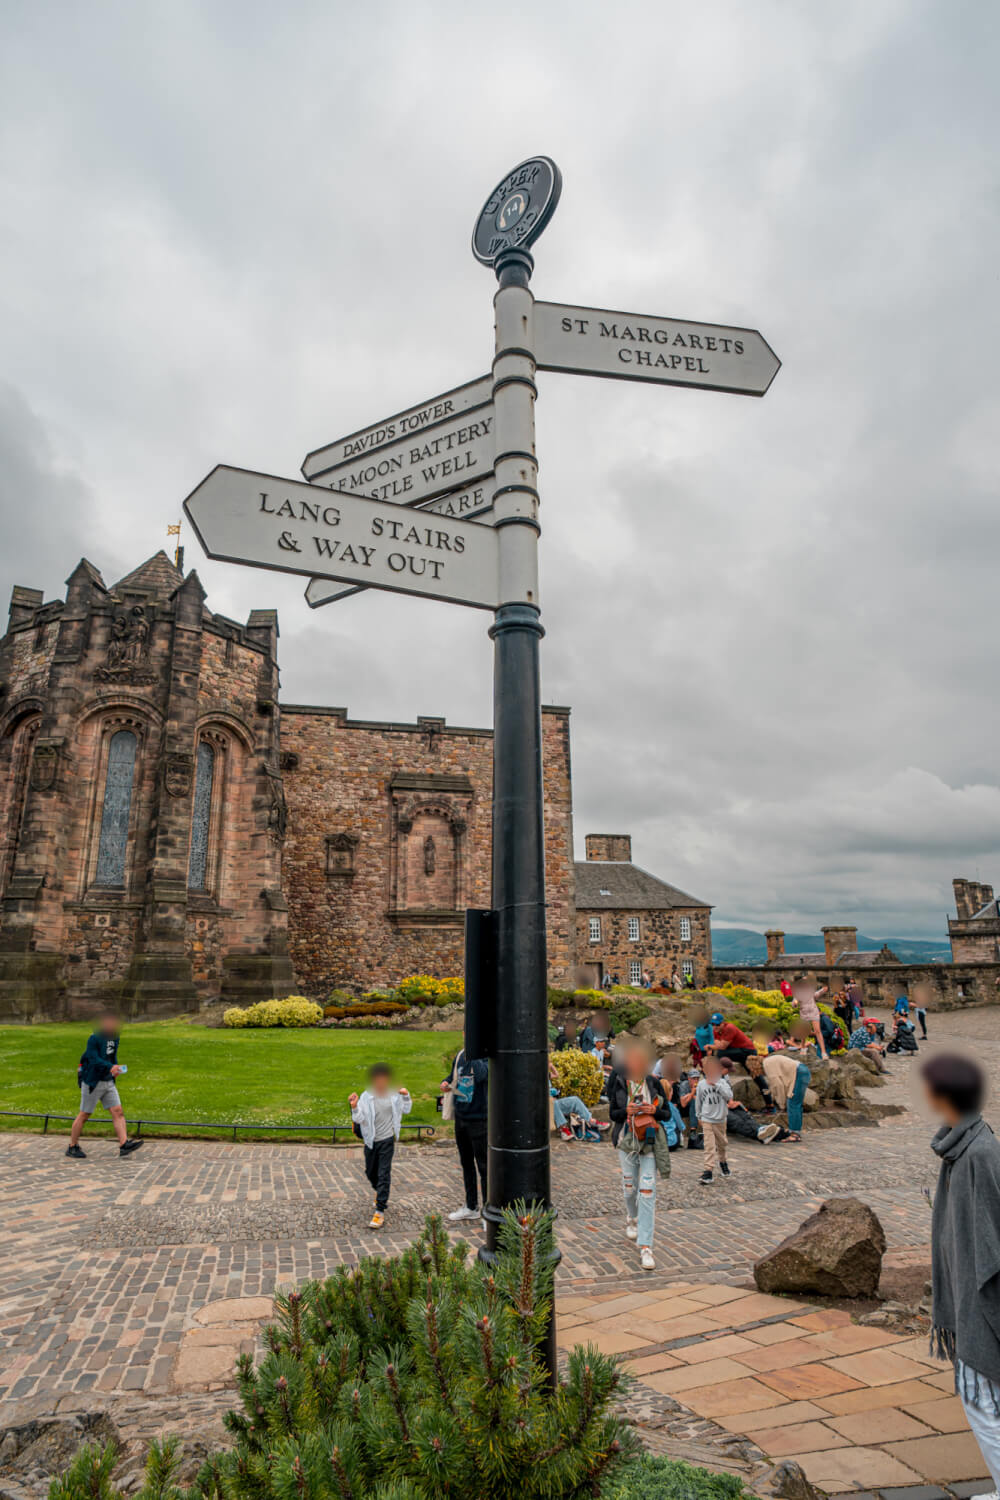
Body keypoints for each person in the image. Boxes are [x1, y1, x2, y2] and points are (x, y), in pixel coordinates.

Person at [923, 1053, 1000, 1495]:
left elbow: (992, 1241)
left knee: (983, 1403)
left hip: (983, 1301)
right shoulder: (959, 1146)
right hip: (970, 1295)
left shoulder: (979, 1153)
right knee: (982, 1402)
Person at [608, 1040, 672, 1270]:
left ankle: (646, 1247)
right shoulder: (617, 1080)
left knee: (647, 1191)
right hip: (626, 1140)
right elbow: (612, 1113)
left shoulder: (654, 1083)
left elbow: (667, 1114)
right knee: (629, 1188)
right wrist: (626, 1111)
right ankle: (631, 1217)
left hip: (650, 1141)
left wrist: (654, 1110)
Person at [66, 1012, 143, 1160]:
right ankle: (72, 1146)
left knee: (118, 1111)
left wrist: (115, 1068)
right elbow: (93, 1059)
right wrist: (109, 1067)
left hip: (108, 1081)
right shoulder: (94, 1039)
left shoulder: (115, 1037)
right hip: (93, 1082)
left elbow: (112, 1056)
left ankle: (124, 1144)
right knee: (84, 1114)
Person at [349, 1063, 411, 1229]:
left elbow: (406, 1109)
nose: (380, 1082)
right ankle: (380, 1192)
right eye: (377, 1079)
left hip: (387, 1140)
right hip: (371, 1141)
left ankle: (380, 1210)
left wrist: (405, 1095)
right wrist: (354, 1107)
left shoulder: (394, 1095)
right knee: (371, 1173)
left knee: (384, 1174)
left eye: (383, 1079)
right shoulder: (366, 1096)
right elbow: (359, 1119)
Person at [442, 1048, 489, 1224]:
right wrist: (445, 1083)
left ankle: (487, 1210)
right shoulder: (461, 1055)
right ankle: (471, 1206)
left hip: (479, 1120)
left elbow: (483, 1075)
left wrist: (474, 1054)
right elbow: (454, 1076)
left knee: (484, 1167)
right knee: (466, 1163)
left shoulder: (486, 1056)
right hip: (461, 1118)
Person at [749, 1050, 810, 1142]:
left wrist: (781, 1104)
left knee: (793, 1104)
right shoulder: (768, 1061)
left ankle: (795, 1134)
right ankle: (795, 1131)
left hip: (799, 1073)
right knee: (796, 1103)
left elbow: (778, 1085)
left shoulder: (767, 1065)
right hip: (802, 1071)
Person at [695, 1054, 734, 1185]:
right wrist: (698, 1115)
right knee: (709, 1146)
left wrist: (717, 1084)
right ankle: (708, 1170)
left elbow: (729, 1096)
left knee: (722, 1144)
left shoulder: (723, 1082)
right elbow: (699, 1101)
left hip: (721, 1119)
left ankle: (723, 1162)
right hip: (707, 1119)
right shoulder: (701, 1085)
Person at [655, 1053, 702, 1149]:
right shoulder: (682, 1086)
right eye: (694, 1078)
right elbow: (682, 1124)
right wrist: (692, 1093)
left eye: (697, 1078)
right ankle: (691, 1133)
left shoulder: (675, 1087)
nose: (696, 1080)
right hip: (672, 1143)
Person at [792, 976, 830, 1060]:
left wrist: (822, 990)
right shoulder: (798, 992)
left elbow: (816, 995)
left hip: (813, 1012)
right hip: (804, 1013)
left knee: (818, 1031)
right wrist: (794, 1003)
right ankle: (803, 1048)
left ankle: (824, 1053)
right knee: (804, 1032)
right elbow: (794, 1002)